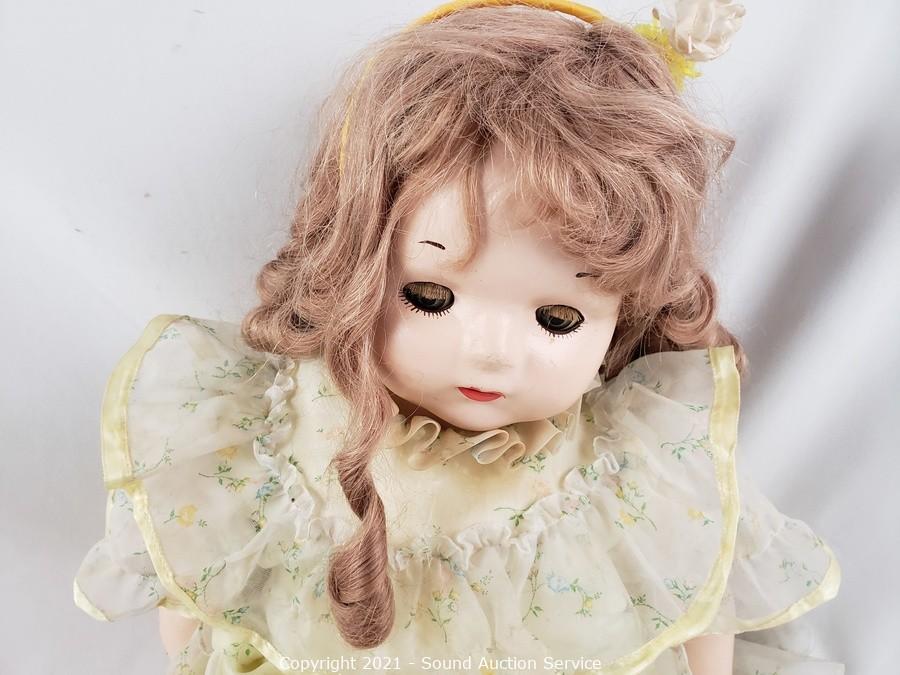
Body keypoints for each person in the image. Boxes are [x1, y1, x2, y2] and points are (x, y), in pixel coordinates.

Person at [73, 2, 843, 673]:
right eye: (431, 296)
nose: (492, 351)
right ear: (354, 262)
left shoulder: (639, 463)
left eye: (558, 318)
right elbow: (197, 604)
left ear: (626, 313)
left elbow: (699, 602)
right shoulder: (273, 437)